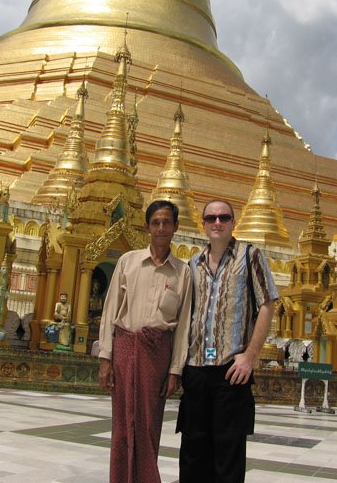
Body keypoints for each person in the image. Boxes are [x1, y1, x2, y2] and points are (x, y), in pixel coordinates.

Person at [176, 199, 279, 483]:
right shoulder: (193, 263)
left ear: (234, 222)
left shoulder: (250, 255)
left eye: (224, 217)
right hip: (196, 369)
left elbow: (268, 304)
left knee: (228, 458)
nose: (217, 223)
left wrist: (250, 356)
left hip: (231, 371)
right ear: (203, 224)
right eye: (211, 218)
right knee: (192, 455)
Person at [98, 199, 192, 483]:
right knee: (123, 424)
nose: (161, 228)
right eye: (155, 223)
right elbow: (110, 311)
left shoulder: (183, 272)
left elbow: (183, 325)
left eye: (166, 223)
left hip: (157, 353)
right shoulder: (128, 262)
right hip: (125, 348)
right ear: (147, 227)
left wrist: (175, 370)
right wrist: (105, 358)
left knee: (149, 424)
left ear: (176, 227)